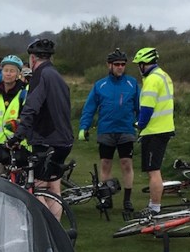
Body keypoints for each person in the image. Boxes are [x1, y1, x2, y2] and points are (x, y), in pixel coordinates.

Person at [15, 33, 73, 217]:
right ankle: (57, 234)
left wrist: (18, 135)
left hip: (47, 140)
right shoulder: (57, 75)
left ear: (32, 59)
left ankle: (48, 232)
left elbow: (31, 107)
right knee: (54, 189)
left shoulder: (40, 76)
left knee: (37, 189)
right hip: (63, 140)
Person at [78, 50, 140, 215]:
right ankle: (107, 198)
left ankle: (127, 199)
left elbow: (139, 108)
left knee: (126, 164)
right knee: (105, 164)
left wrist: (143, 126)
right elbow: (90, 108)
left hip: (126, 129)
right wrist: (84, 127)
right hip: (106, 130)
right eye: (117, 64)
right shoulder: (100, 85)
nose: (120, 67)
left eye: (123, 64)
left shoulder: (132, 84)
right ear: (109, 65)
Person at [133, 46, 175, 218]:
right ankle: (154, 205)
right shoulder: (164, 75)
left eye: (139, 64)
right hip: (164, 128)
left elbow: (147, 108)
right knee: (154, 169)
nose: (138, 68)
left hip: (154, 130)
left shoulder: (151, 80)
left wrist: (139, 125)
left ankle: (154, 208)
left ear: (144, 64)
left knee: (153, 171)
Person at [0, 54, 26, 173]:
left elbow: (26, 119)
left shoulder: (23, 94)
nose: (8, 74)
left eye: (12, 71)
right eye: (6, 70)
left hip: (16, 147)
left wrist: (13, 127)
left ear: (18, 74)